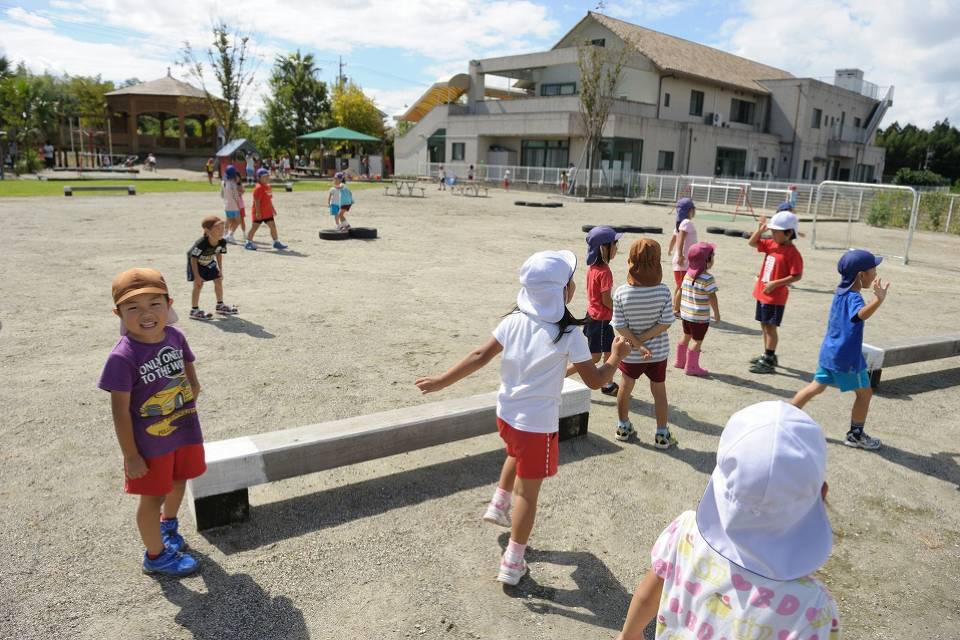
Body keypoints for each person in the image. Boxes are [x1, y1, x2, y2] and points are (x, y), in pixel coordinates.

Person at [415, 250, 631, 585]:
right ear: (564, 292)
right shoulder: (569, 334)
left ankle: (498, 504)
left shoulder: (514, 320)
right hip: (537, 428)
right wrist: (615, 357)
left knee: (514, 454)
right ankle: (513, 561)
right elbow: (596, 381)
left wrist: (441, 381)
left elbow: (479, 355)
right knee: (528, 496)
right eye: (570, 281)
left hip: (507, 415)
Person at [616, 401, 841, 640]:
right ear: (822, 492)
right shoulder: (814, 609)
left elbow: (647, 596)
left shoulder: (685, 532)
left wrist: (628, 635)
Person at [98, 268, 206, 577]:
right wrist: (131, 455)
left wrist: (193, 388)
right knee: (153, 496)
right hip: (149, 444)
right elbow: (120, 411)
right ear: (118, 312)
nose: (146, 314)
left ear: (169, 303)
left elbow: (187, 364)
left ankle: (168, 526)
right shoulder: (122, 357)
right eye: (133, 307)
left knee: (179, 479)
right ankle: (156, 556)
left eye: (154, 304)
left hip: (183, 429)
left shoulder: (174, 335)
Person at [792, 249, 890, 450]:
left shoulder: (839, 292)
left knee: (816, 386)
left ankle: (785, 416)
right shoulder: (854, 297)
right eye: (873, 270)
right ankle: (856, 435)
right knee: (865, 394)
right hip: (847, 359)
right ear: (861, 275)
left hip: (829, 353)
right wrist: (878, 300)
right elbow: (860, 315)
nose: (875, 275)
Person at [611, 238, 675, 448]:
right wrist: (645, 342)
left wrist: (637, 345)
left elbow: (619, 326)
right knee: (659, 391)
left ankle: (622, 426)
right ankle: (662, 433)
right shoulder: (664, 291)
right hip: (658, 353)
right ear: (657, 263)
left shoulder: (621, 292)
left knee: (625, 387)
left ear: (631, 262)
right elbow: (665, 323)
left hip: (630, 352)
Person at [747, 210, 803, 374]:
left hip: (775, 297)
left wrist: (776, 283)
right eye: (772, 231)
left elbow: (797, 275)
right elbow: (752, 243)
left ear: (789, 233)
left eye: (776, 232)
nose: (773, 234)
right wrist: (760, 230)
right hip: (763, 293)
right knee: (764, 326)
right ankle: (767, 354)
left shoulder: (793, 253)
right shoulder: (772, 244)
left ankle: (769, 359)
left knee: (770, 328)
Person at [580, 226, 624, 396]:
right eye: (615, 244)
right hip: (600, 319)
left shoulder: (593, 267)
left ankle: (607, 384)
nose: (617, 248)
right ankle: (561, 375)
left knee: (609, 352)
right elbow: (606, 300)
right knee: (595, 357)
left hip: (596, 316)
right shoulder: (605, 272)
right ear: (603, 248)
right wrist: (620, 308)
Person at [673, 242, 719, 376]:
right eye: (712, 256)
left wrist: (676, 307)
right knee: (697, 342)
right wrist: (716, 313)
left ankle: (680, 362)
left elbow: (679, 292)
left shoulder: (687, 274)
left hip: (686, 315)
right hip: (699, 318)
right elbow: (712, 297)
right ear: (707, 260)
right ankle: (691, 367)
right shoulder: (708, 278)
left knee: (686, 336)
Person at [187, 215, 238, 319]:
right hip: (196, 263)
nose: (221, 231)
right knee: (198, 285)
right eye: (217, 228)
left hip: (209, 261)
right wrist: (197, 277)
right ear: (207, 230)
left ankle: (220, 305)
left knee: (218, 279)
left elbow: (219, 253)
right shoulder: (202, 243)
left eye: (222, 228)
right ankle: (194, 310)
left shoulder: (222, 241)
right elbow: (193, 258)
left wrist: (220, 269)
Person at [246, 168, 288, 251]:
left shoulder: (268, 187)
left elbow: (269, 199)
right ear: (259, 178)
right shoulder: (258, 188)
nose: (267, 178)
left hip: (267, 212)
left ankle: (276, 242)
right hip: (259, 213)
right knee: (254, 227)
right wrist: (258, 212)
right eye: (264, 176)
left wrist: (272, 208)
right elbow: (257, 201)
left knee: (273, 226)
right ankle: (248, 242)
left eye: (267, 176)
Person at [667, 197, 697, 290]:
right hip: (683, 262)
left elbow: (673, 239)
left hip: (683, 261)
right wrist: (680, 255)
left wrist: (670, 249)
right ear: (690, 210)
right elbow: (680, 239)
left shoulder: (680, 224)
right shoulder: (686, 223)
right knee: (681, 288)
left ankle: (675, 305)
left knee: (680, 287)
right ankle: (676, 305)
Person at [220, 165, 243, 244]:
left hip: (226, 204)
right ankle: (230, 235)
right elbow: (235, 196)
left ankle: (224, 234)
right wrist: (238, 205)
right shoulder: (233, 184)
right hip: (234, 206)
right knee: (238, 221)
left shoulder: (223, 182)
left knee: (228, 220)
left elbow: (222, 195)